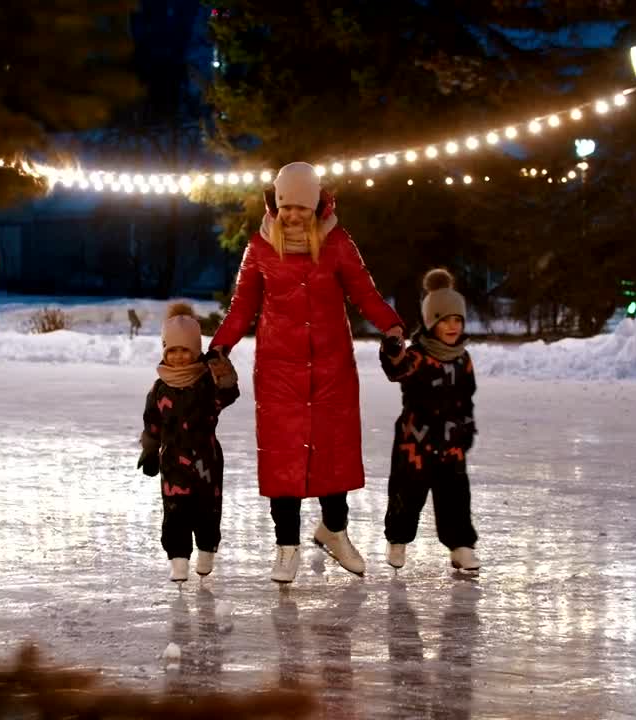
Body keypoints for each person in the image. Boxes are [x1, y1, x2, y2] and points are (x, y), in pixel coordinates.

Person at [209, 161, 404, 583]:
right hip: (279, 370)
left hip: (332, 367)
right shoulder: (260, 248)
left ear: (316, 206)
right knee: (284, 456)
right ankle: (286, 546)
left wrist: (391, 326)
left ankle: (334, 531)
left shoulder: (337, 243)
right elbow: (242, 308)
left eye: (301, 207)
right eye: (286, 207)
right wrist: (220, 345)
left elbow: (364, 293)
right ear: (276, 207)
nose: (293, 215)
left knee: (333, 450)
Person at [379, 269, 480, 573]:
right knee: (406, 495)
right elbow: (397, 369)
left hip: (451, 443)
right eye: (445, 320)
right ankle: (398, 539)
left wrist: (467, 427)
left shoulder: (463, 359)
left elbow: (468, 396)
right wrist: (392, 351)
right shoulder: (418, 356)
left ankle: (461, 546)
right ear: (430, 322)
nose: (452, 326)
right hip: (415, 444)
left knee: (456, 497)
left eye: (458, 320)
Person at [140, 303, 240, 582]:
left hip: (206, 461)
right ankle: (179, 560)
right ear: (164, 352)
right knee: (175, 513)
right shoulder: (159, 387)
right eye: (173, 350)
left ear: (195, 350)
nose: (179, 356)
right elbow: (152, 422)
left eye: (185, 350)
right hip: (172, 463)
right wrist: (149, 451)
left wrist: (223, 372)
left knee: (207, 512)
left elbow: (228, 394)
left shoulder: (206, 382)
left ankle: (207, 550)